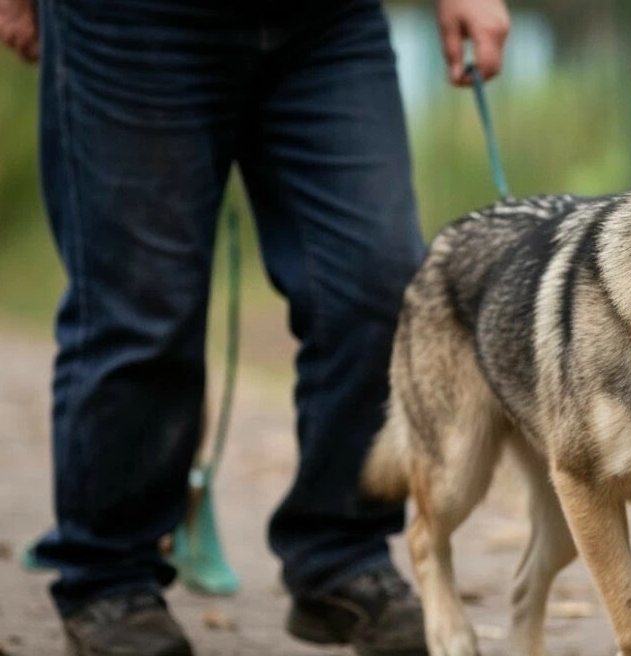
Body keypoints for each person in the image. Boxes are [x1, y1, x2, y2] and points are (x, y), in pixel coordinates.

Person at [0, 0, 509, 654]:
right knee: (142, 311)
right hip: (127, 25)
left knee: (377, 285)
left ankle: (341, 555)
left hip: (329, 23)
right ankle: (110, 579)